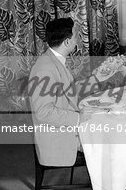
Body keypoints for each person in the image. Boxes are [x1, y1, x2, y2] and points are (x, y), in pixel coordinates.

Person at [28, 17, 91, 166]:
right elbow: (43, 112)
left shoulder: (53, 60)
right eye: (76, 36)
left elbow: (66, 91)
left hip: (64, 129)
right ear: (67, 42)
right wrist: (78, 119)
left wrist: (98, 78)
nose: (78, 40)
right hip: (59, 139)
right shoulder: (45, 69)